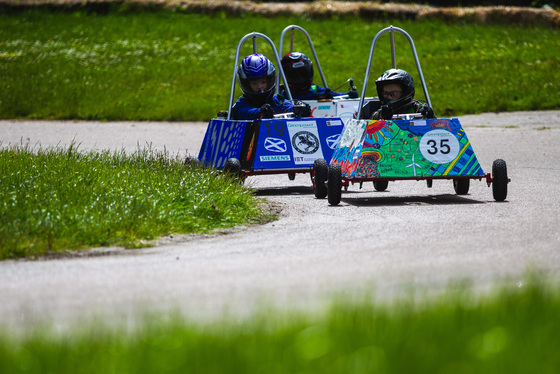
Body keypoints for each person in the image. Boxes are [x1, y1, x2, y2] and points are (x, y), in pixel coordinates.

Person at [231, 54, 296, 120]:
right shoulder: (242, 103)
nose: (259, 86)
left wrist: (298, 110)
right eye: (254, 83)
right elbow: (244, 113)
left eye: (263, 82)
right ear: (247, 84)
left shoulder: (278, 100)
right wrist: (260, 112)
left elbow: (288, 107)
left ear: (269, 81)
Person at [280, 51, 357, 100]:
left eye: (304, 73)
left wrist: (348, 95)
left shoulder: (314, 88)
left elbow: (332, 94)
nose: (301, 78)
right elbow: (297, 99)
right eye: (296, 76)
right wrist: (317, 96)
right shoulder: (285, 93)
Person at [371, 68, 435, 120]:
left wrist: (430, 117)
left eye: (394, 93)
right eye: (386, 93)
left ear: (405, 93)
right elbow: (371, 123)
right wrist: (382, 116)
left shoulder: (417, 109)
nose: (389, 97)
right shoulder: (382, 113)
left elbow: (436, 129)